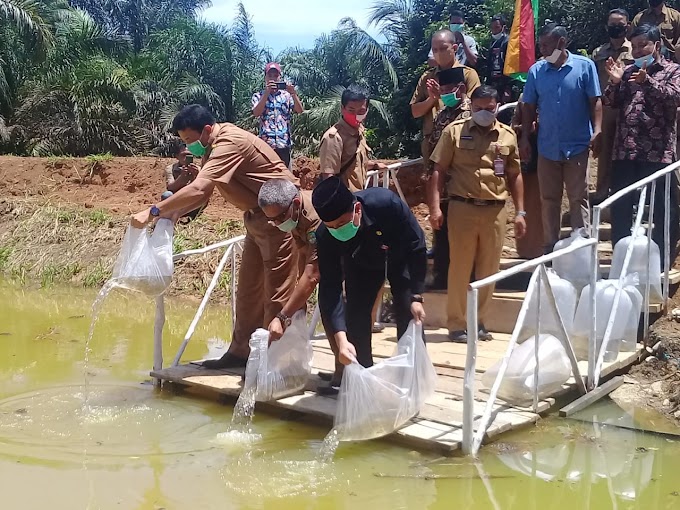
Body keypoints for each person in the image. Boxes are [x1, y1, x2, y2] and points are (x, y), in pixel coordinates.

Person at [131, 104, 299, 369]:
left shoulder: (229, 142)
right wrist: (170, 216)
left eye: (189, 140)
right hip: (256, 218)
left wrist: (154, 211)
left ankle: (273, 364)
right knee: (248, 290)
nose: (189, 147)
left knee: (276, 292)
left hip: (281, 219)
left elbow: (199, 188)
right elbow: (203, 196)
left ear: (207, 130)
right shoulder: (211, 149)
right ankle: (240, 353)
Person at [430, 85, 525, 343]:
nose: (484, 112)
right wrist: (436, 207)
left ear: (497, 106)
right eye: (479, 107)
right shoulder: (454, 132)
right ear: (471, 106)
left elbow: (515, 174)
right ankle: (457, 324)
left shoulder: (507, 136)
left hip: (495, 211)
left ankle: (479, 322)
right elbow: (438, 170)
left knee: (489, 269)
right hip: (463, 208)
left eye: (489, 108)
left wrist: (521, 212)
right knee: (459, 267)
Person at [313, 177, 427, 370]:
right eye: (331, 226)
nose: (337, 230)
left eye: (341, 223)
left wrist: (417, 295)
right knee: (355, 317)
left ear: (357, 209)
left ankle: (412, 376)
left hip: (399, 256)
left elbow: (416, 245)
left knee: (409, 312)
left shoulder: (386, 204)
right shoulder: (325, 236)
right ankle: (362, 373)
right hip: (361, 263)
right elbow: (329, 288)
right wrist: (340, 337)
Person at [520, 23, 603, 253]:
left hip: (577, 145)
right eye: (541, 45)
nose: (542, 50)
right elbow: (528, 106)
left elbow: (594, 100)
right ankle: (550, 249)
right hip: (547, 146)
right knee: (549, 200)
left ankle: (581, 247)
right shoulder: (536, 71)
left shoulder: (585, 67)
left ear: (561, 43)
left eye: (546, 45)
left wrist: (597, 130)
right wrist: (525, 137)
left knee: (578, 197)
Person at [604, 23, 680, 265]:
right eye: (634, 46)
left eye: (642, 45)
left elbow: (673, 98)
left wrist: (648, 82)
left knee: (662, 209)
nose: (637, 51)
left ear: (656, 45)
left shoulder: (673, 70)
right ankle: (621, 259)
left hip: (657, 154)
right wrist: (614, 83)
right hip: (625, 150)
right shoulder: (626, 72)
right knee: (621, 206)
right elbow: (609, 102)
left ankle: (661, 261)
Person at [257, 179, 343, 388]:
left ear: (295, 204)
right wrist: (298, 298)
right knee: (327, 308)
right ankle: (340, 372)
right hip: (331, 259)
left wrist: (283, 316)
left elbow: (313, 275)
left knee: (334, 309)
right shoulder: (293, 215)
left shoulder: (314, 217)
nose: (277, 224)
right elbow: (303, 252)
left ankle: (346, 373)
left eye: (278, 218)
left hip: (353, 260)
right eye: (272, 220)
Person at [425, 66, 472, 290]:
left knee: (463, 236)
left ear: (460, 88)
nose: (444, 93)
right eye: (441, 89)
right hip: (442, 187)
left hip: (462, 186)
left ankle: (466, 280)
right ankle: (441, 277)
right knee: (441, 234)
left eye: (447, 89)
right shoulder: (443, 113)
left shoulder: (470, 114)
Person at [412, 29, 481, 162]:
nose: (439, 53)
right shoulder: (427, 77)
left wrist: (444, 96)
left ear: (454, 48)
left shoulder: (468, 74)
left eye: (443, 48)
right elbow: (415, 112)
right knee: (433, 180)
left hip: (462, 140)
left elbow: (474, 108)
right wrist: (432, 99)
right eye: (435, 50)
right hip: (432, 142)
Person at [592, 9, 635, 202]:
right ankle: (602, 194)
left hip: (630, 108)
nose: (616, 27)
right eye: (612, 24)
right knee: (605, 153)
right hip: (607, 109)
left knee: (629, 155)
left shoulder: (635, 50)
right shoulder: (598, 53)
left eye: (620, 23)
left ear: (628, 26)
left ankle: (627, 197)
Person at [319, 84, 386, 192]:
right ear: (342, 108)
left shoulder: (360, 131)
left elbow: (355, 164)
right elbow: (328, 178)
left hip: (359, 196)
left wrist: (375, 166)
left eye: (361, 112)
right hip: (345, 201)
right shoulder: (334, 138)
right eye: (351, 110)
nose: (355, 115)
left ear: (366, 111)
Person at [251, 62, 304, 168]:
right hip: (266, 145)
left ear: (280, 77)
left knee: (286, 180)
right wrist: (266, 93)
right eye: (270, 76)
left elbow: (300, 110)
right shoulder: (258, 96)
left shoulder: (287, 96)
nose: (273, 79)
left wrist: (293, 93)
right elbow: (256, 113)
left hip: (284, 144)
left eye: (275, 76)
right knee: (267, 180)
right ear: (265, 77)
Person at [511, 94, 544, 259]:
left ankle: (542, 250)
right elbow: (513, 125)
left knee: (543, 207)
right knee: (528, 205)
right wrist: (525, 129)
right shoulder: (524, 98)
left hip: (548, 157)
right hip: (528, 158)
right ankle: (524, 251)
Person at [162, 143, 206, 221]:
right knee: (166, 195)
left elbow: (201, 189)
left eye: (189, 155)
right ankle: (172, 214)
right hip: (177, 199)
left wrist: (196, 176)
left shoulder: (198, 169)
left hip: (191, 202)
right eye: (183, 155)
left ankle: (191, 215)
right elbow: (170, 187)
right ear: (177, 157)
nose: (185, 158)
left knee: (203, 198)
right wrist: (182, 177)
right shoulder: (171, 168)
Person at [487, 14, 511, 103]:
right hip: (493, 84)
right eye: (492, 28)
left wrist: (508, 88)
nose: (494, 31)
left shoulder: (508, 42)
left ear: (503, 27)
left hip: (504, 84)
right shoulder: (492, 43)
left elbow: (511, 65)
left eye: (497, 27)